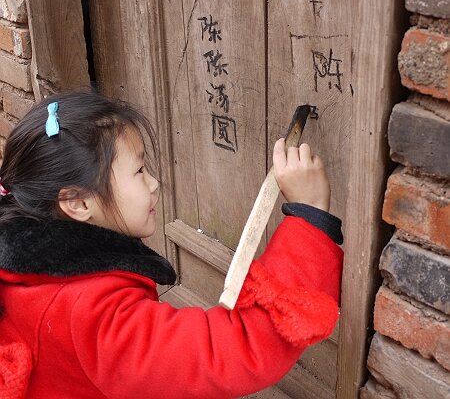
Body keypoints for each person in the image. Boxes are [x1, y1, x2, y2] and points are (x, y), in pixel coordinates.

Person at [0, 90, 343, 399]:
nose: (154, 184)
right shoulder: (93, 315)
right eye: (138, 171)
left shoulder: (27, 267)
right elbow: (234, 351)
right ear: (77, 203)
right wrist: (309, 219)